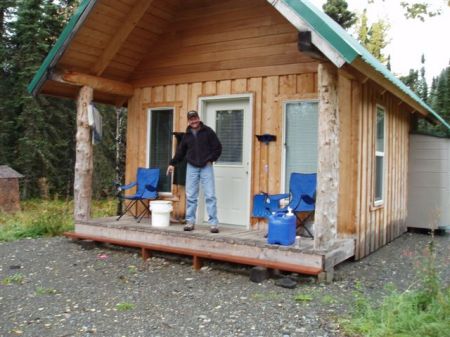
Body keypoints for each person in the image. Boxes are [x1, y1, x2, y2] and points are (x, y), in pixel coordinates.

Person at [167, 110, 222, 233]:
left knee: (210, 195)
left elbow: (218, 147)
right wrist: (172, 164)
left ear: (198, 118)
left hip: (206, 166)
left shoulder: (208, 131)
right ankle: (190, 222)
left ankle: (213, 224)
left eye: (195, 118)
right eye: (191, 119)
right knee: (191, 196)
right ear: (189, 121)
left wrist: (211, 159)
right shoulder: (186, 135)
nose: (194, 121)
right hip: (191, 167)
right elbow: (180, 152)